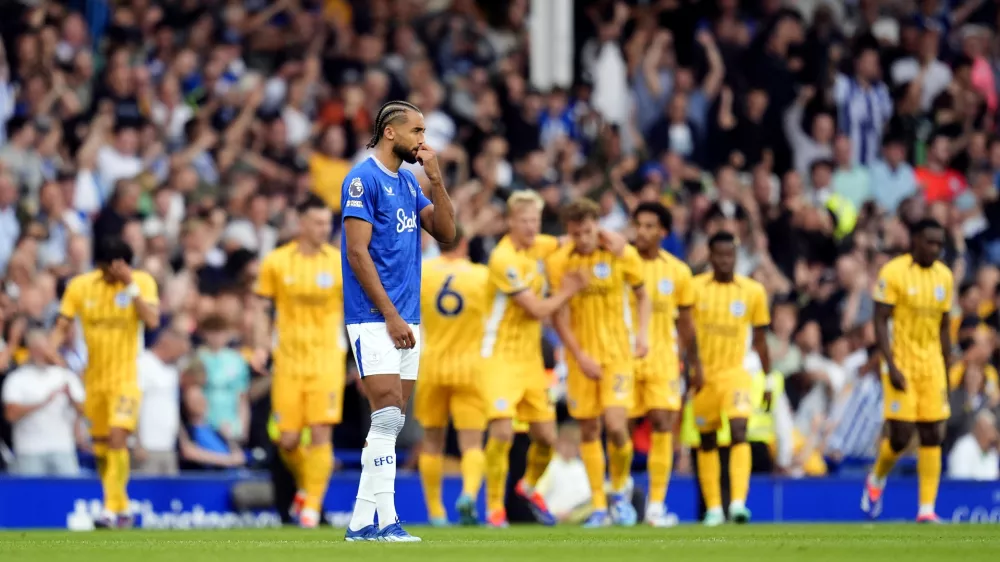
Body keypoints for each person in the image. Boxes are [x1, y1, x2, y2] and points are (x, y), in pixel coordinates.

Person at [341, 100, 455, 542]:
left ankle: (357, 524)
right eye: (418, 132)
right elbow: (356, 252)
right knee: (388, 416)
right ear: (391, 132)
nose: (423, 141)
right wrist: (389, 316)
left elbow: (446, 232)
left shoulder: (408, 182)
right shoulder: (362, 179)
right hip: (375, 318)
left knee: (389, 421)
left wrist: (438, 181)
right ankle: (387, 522)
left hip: (408, 317)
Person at [481, 190, 589, 528]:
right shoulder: (503, 259)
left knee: (546, 437)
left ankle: (527, 486)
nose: (531, 226)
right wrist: (569, 290)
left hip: (529, 360)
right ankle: (495, 508)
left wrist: (607, 237)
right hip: (498, 358)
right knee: (501, 432)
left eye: (535, 221)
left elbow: (569, 240)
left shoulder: (538, 245)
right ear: (510, 221)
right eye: (524, 220)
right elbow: (537, 309)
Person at [548, 198, 651, 528]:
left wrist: (643, 335)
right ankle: (598, 505)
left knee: (618, 426)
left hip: (618, 355)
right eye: (577, 233)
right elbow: (558, 317)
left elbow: (642, 293)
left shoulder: (620, 253)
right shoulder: (561, 261)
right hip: (582, 359)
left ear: (598, 225)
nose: (584, 238)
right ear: (569, 232)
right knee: (590, 430)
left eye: (589, 230)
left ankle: (620, 490)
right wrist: (580, 357)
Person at [50, 236, 160, 527]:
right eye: (108, 269)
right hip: (94, 380)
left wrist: (130, 286)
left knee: (118, 436)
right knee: (101, 447)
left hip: (126, 378)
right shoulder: (80, 286)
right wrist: (51, 352)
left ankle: (109, 509)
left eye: (119, 268)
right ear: (99, 266)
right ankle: (122, 507)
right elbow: (62, 325)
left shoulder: (142, 282)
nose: (113, 274)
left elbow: (152, 321)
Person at [253, 194, 345, 529]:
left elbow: (355, 309)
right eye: (318, 223)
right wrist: (261, 346)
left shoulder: (338, 261)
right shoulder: (276, 262)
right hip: (288, 361)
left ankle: (310, 509)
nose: (324, 229)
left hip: (326, 360)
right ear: (301, 223)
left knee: (321, 433)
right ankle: (308, 488)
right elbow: (262, 310)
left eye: (327, 223)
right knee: (287, 439)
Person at [864, 218, 954, 523]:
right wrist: (889, 364)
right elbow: (879, 321)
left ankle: (926, 509)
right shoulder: (893, 272)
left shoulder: (944, 277)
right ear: (914, 240)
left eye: (940, 244)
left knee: (932, 432)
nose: (936, 249)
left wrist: (948, 361)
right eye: (930, 242)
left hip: (932, 366)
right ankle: (877, 477)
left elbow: (943, 326)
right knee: (901, 436)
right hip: (901, 363)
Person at [690, 231, 772, 526]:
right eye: (720, 255)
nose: (725, 261)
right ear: (710, 257)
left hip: (737, 374)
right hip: (704, 377)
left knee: (740, 429)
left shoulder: (752, 291)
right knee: (707, 440)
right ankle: (714, 507)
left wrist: (769, 380)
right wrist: (690, 368)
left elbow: (761, 340)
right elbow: (685, 332)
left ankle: (738, 503)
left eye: (730, 255)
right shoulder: (694, 288)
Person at [629, 202, 701, 527]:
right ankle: (618, 496)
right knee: (618, 428)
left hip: (663, 358)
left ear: (663, 232)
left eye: (649, 226)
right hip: (623, 357)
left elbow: (686, 322)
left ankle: (656, 504)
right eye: (638, 225)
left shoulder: (679, 271)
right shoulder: (620, 263)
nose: (641, 232)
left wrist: (694, 363)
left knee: (662, 421)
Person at [416, 225, 489, 526]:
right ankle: (469, 494)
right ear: (466, 243)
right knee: (471, 443)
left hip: (432, 365)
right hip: (470, 367)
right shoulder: (481, 276)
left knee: (432, 441)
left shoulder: (423, 272)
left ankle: (435, 512)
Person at [2, 329, 85, 476]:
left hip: (63, 449)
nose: (41, 353)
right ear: (30, 351)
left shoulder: (66, 376)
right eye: (36, 349)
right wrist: (43, 402)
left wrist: (71, 397)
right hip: (29, 450)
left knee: (68, 494)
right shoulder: (17, 378)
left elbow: (85, 410)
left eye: (44, 348)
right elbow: (10, 414)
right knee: (30, 497)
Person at [135, 323, 191, 476]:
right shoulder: (143, 364)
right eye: (180, 348)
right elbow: (133, 406)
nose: (182, 354)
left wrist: (182, 439)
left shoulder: (172, 370)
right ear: (166, 343)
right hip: (146, 448)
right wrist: (137, 443)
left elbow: (171, 409)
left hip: (168, 447)